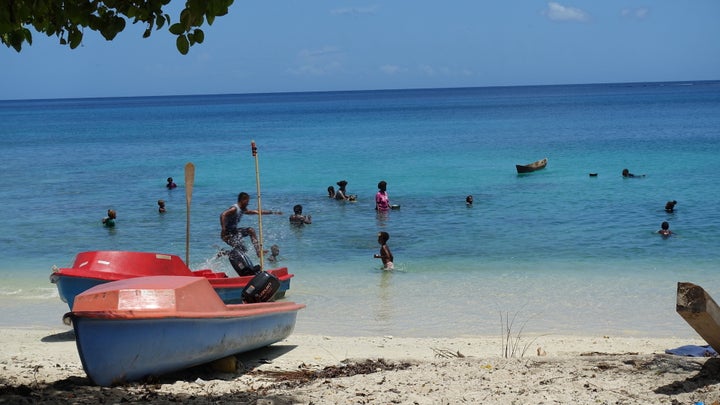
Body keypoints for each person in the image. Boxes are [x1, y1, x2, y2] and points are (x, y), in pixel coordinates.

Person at [220, 192, 283, 276]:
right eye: (247, 201)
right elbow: (223, 215)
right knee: (241, 251)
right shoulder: (234, 209)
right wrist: (223, 228)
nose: (248, 203)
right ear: (242, 200)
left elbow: (256, 212)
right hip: (227, 234)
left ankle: (258, 251)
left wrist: (272, 212)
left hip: (234, 232)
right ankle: (224, 252)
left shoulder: (242, 209)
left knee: (250, 230)